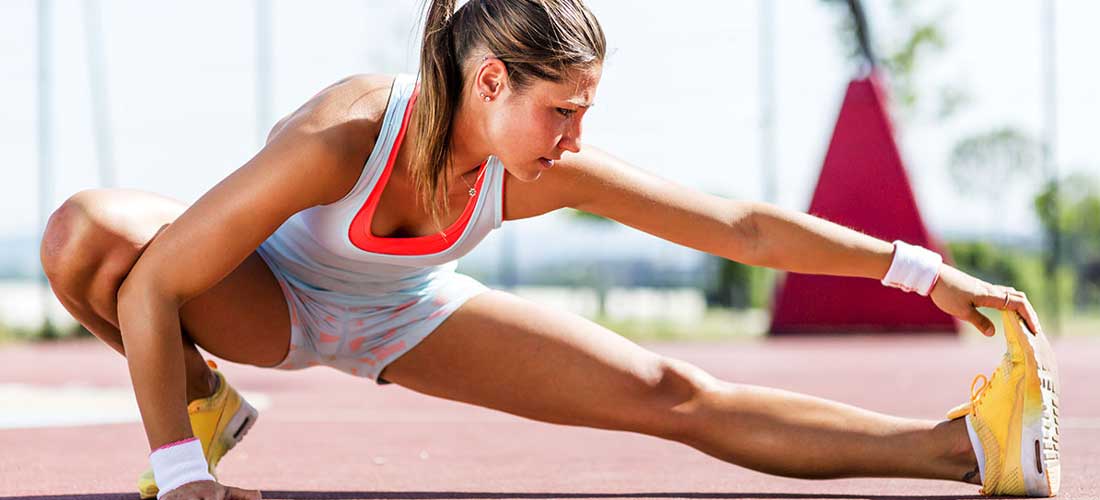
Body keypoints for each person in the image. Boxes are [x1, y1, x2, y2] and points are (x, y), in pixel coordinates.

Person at [39, 0, 1059, 498]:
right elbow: (165, 274)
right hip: (263, 299)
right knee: (89, 234)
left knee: (671, 389)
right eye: (560, 109)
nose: (574, 136)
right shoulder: (346, 133)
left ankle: (964, 450)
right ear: (489, 84)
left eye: (585, 110)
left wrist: (921, 270)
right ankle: (203, 399)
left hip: (408, 313)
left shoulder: (534, 168)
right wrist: (180, 471)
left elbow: (738, 228)